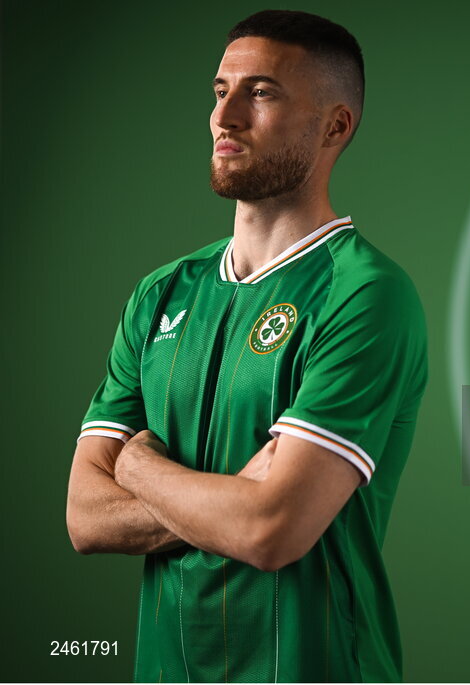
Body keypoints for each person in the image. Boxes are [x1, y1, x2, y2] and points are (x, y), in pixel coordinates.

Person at [65, 9, 427, 683]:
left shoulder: (366, 294)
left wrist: (139, 466)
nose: (224, 116)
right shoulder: (161, 293)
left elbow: (271, 529)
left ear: (335, 126)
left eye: (260, 92)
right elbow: (84, 516)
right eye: (219, 90)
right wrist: (232, 494)